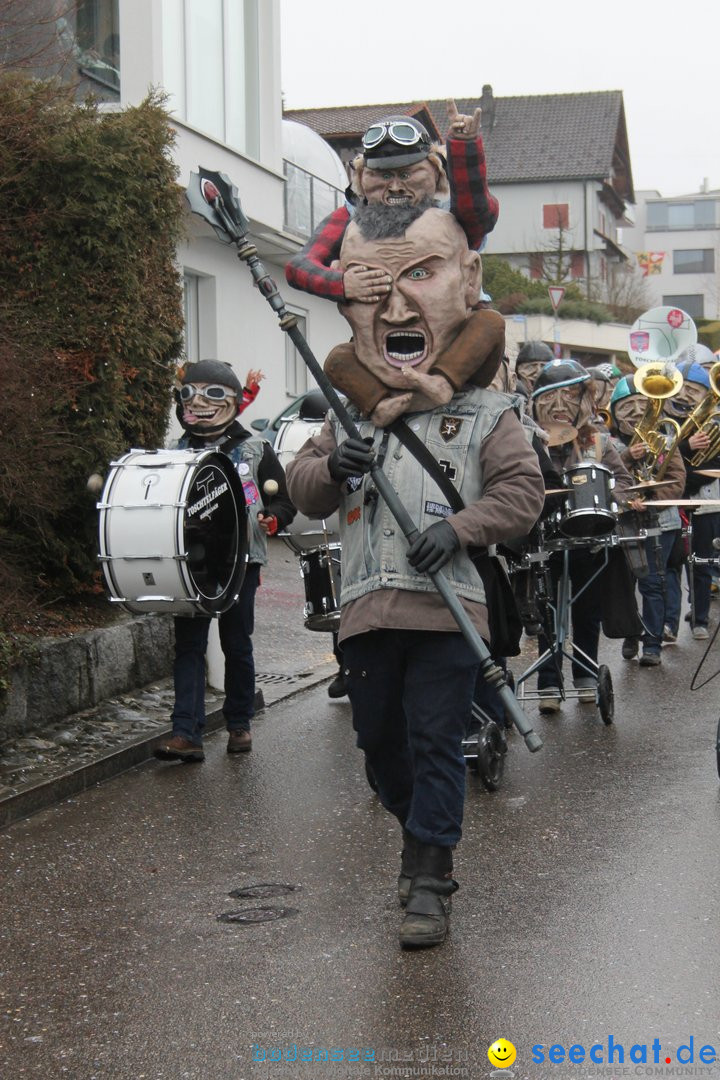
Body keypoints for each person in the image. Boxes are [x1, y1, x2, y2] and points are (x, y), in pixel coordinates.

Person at [286, 204, 544, 949]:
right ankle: (418, 835)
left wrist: (457, 529)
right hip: (366, 610)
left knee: (436, 740)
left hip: (449, 609)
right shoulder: (351, 410)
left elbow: (522, 498)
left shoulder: (490, 412)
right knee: (379, 745)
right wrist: (331, 465)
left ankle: (432, 876)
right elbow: (303, 488)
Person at [286, 104, 505, 426]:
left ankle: (445, 381)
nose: (396, 186)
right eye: (384, 175)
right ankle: (379, 404)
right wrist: (343, 284)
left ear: (434, 172)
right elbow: (299, 267)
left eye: (406, 174)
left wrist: (464, 146)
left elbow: (479, 211)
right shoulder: (349, 218)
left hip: (458, 339)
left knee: (488, 324)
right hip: (378, 351)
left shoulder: (449, 213)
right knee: (338, 360)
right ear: (362, 176)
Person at [153, 360, 295, 762]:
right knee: (189, 646)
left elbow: (284, 500)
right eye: (188, 393)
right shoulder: (176, 453)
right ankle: (186, 733)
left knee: (237, 644)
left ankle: (239, 725)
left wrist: (275, 517)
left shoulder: (256, 449)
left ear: (232, 401)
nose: (197, 402)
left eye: (212, 394)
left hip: (240, 560)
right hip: (191, 561)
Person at [530, 360, 634, 712]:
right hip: (544, 540)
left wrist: (614, 497)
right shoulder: (530, 439)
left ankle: (586, 675)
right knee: (545, 611)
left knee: (587, 610)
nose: (560, 406)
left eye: (569, 397)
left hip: (587, 539)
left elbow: (623, 481)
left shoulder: (599, 440)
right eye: (551, 398)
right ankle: (548, 683)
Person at [608, 375, 685, 665]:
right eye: (629, 407)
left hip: (660, 523)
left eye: (645, 405)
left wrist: (650, 499)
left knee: (653, 582)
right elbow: (607, 478)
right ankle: (631, 634)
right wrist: (628, 456)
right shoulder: (611, 445)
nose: (639, 413)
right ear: (615, 411)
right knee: (626, 584)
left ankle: (652, 644)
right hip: (624, 523)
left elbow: (678, 481)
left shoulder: (666, 440)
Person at [662, 357, 720, 639]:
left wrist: (684, 479)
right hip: (671, 504)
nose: (685, 394)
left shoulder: (713, 423)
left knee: (702, 563)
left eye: (693, 389)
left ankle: (699, 620)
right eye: (681, 388)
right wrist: (686, 447)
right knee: (671, 564)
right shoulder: (663, 423)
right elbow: (660, 463)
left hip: (705, 504)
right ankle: (669, 623)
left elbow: (713, 469)